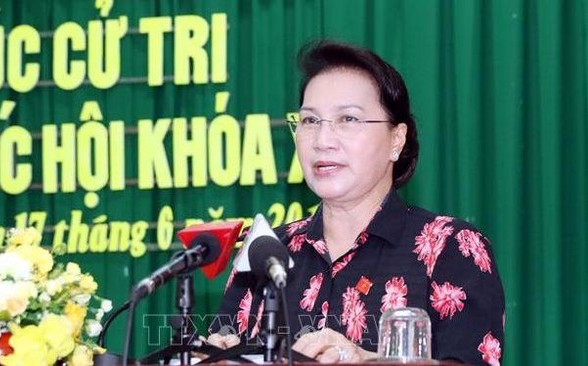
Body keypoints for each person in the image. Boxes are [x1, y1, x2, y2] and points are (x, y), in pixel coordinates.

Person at [207, 40, 505, 365]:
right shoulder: (268, 250)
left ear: (396, 140)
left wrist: (367, 360)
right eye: (309, 121)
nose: (322, 140)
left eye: (348, 119)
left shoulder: (448, 247)